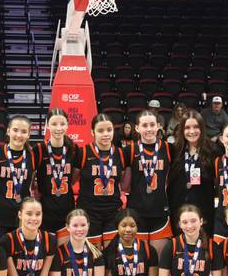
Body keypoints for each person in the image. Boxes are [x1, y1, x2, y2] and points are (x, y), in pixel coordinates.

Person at [124, 109, 173, 255]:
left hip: (160, 212)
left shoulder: (169, 149)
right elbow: (124, 183)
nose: (149, 129)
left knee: (158, 261)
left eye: (152, 125)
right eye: (145, 125)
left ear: (158, 126)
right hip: (136, 211)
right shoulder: (129, 150)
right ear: (137, 128)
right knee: (139, 261)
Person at [75, 113, 127, 248]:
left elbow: (122, 182)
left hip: (112, 211)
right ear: (92, 132)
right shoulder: (83, 152)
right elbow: (72, 180)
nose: (106, 134)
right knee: (94, 256)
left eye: (109, 130)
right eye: (100, 130)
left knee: (111, 255)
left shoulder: (120, 153)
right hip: (89, 211)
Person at [168, 109, 216, 237]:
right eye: (187, 127)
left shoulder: (214, 150)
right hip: (179, 212)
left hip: (204, 212)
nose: (192, 131)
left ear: (202, 128)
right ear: (182, 130)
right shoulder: (174, 151)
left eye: (196, 127)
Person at [0, 115, 37, 240]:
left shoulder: (33, 156)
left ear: (29, 135)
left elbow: (35, 183)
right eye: (15, 130)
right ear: (8, 131)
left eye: (24, 131)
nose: (19, 135)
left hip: (22, 217)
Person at [36, 109, 76, 244]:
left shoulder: (73, 149)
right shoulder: (39, 149)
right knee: (47, 251)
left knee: (63, 254)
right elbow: (30, 176)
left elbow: (75, 176)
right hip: (46, 209)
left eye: (62, 124)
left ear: (67, 125)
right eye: (54, 124)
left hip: (66, 208)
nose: (58, 128)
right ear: (47, 125)